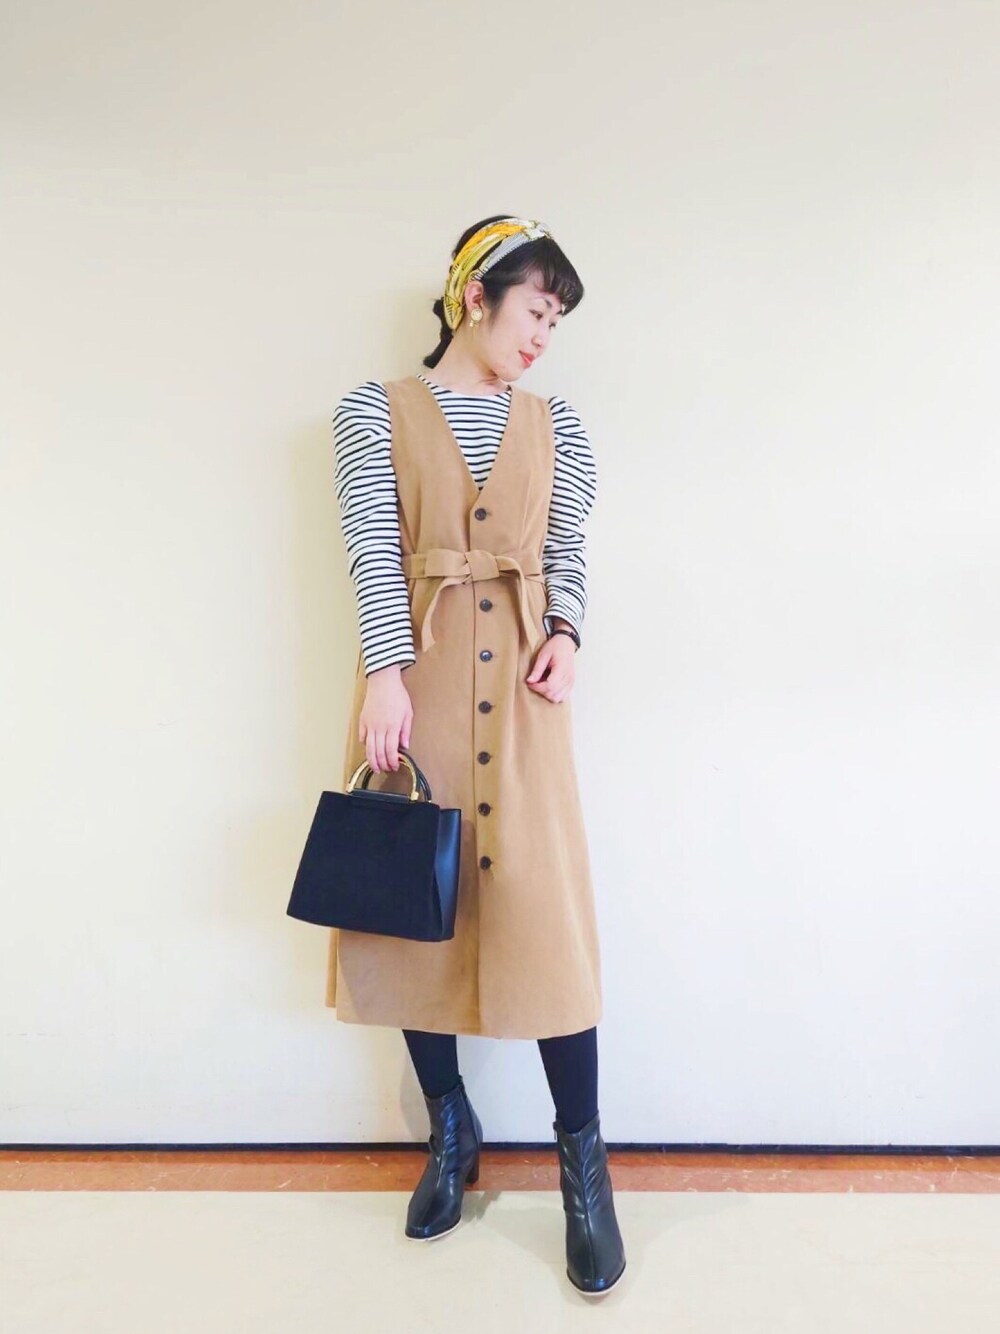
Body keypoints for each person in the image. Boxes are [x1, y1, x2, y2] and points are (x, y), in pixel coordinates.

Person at [327, 215, 625, 1296]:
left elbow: (568, 547)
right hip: (421, 681)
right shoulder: (373, 411)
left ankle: (583, 1166)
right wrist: (384, 674)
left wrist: (568, 632)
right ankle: (450, 1131)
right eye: (534, 310)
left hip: (527, 697)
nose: (543, 335)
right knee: (417, 902)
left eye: (556, 320)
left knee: (548, 919)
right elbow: (372, 545)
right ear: (474, 297)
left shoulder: (560, 424)